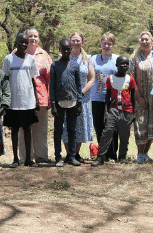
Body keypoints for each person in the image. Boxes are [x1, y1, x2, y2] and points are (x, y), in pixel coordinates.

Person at [3, 32, 41, 167]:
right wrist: (5, 100)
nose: (24, 44)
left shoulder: (31, 59)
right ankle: (15, 159)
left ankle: (29, 159)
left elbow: (33, 80)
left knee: (27, 129)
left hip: (28, 100)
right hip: (13, 101)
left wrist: (36, 99)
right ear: (16, 42)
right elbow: (5, 79)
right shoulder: (8, 59)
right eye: (21, 42)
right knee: (14, 130)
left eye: (26, 42)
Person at [92, 56, 137, 166]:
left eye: (126, 64)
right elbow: (107, 96)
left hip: (127, 111)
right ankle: (100, 157)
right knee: (107, 132)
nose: (124, 65)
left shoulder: (130, 79)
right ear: (116, 65)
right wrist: (106, 111)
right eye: (122, 63)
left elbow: (133, 97)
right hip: (113, 109)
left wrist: (134, 113)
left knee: (125, 135)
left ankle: (122, 156)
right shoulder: (110, 78)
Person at [50, 38, 86, 167]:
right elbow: (52, 86)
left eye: (68, 49)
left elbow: (78, 85)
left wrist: (80, 103)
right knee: (58, 130)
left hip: (73, 102)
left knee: (72, 130)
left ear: (71, 50)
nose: (66, 51)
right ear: (59, 49)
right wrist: (53, 104)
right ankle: (58, 157)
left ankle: (71, 156)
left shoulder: (75, 65)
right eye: (63, 49)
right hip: (59, 103)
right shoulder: (55, 65)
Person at [130, 31, 153, 163]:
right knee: (140, 125)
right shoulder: (134, 57)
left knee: (152, 126)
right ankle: (140, 154)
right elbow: (131, 79)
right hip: (140, 97)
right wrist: (138, 97)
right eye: (142, 39)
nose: (144, 42)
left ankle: (146, 153)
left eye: (147, 39)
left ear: (152, 41)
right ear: (139, 41)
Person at [61, 32, 95, 162]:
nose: (75, 43)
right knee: (66, 125)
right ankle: (68, 154)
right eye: (73, 40)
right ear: (69, 42)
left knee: (80, 125)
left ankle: (76, 153)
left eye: (78, 40)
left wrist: (81, 92)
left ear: (82, 42)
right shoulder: (62, 57)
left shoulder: (87, 58)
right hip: (66, 97)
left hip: (83, 98)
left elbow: (91, 79)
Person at [21, 28, 52, 163]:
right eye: (30, 36)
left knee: (41, 130)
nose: (32, 38)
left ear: (38, 38)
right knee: (24, 129)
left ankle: (41, 157)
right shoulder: (18, 53)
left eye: (35, 36)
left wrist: (51, 99)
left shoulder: (44, 55)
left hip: (42, 97)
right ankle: (25, 157)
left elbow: (50, 77)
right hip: (23, 98)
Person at [91, 33, 120, 162]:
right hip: (96, 98)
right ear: (100, 44)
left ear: (113, 45)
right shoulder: (93, 59)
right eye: (105, 43)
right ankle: (102, 153)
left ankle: (112, 154)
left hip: (112, 99)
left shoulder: (117, 59)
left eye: (110, 43)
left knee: (112, 127)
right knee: (99, 126)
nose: (107, 46)